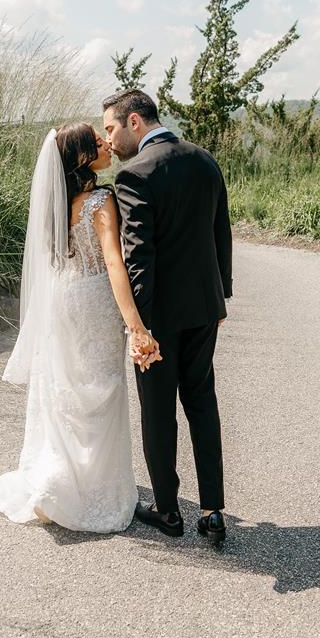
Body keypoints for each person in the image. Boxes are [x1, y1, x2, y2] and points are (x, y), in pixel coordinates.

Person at [0, 122, 160, 533]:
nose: (106, 145)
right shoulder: (101, 199)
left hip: (63, 298)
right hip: (95, 301)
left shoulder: (56, 203)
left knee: (67, 387)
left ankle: (59, 475)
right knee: (102, 387)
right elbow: (114, 262)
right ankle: (88, 488)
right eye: (97, 143)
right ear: (82, 156)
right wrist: (136, 326)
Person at [100, 88, 232, 544]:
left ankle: (167, 510)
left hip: (159, 317)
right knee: (202, 401)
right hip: (205, 309)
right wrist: (221, 297)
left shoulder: (134, 174)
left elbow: (138, 256)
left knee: (158, 411)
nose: (109, 139)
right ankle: (213, 511)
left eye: (112, 128)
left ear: (134, 121)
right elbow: (220, 231)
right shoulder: (204, 159)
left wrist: (139, 327)